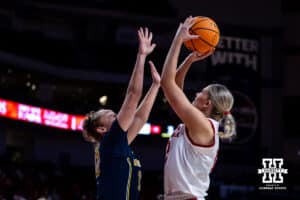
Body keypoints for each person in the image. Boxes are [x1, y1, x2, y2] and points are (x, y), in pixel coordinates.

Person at [160, 16, 236, 200]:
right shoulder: (201, 124)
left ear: (207, 103)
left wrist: (179, 39)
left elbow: (167, 84)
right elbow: (175, 88)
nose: (195, 95)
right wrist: (189, 59)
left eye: (201, 93)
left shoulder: (203, 125)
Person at [82, 27, 160, 200]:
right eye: (110, 115)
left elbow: (139, 118)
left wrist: (155, 86)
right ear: (102, 129)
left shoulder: (117, 144)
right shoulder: (110, 142)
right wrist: (141, 56)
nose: (115, 114)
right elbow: (133, 95)